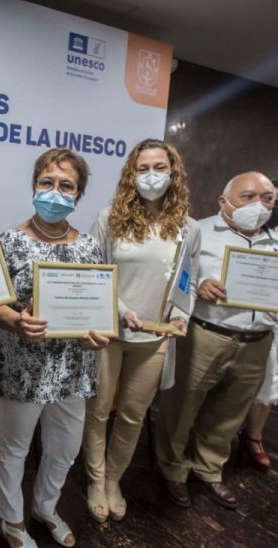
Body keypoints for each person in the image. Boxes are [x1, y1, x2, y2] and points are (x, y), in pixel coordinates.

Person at [0, 148, 109, 548]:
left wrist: (98, 336)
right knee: (14, 448)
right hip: (22, 363)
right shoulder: (9, 240)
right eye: (47, 182)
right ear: (34, 186)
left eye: (66, 185)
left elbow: (98, 309)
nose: (55, 192)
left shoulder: (90, 247)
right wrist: (15, 320)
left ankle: (46, 507)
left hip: (74, 367)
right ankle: (12, 521)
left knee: (64, 449)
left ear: (79, 194)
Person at [82, 139, 200, 522]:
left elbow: (189, 280)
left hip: (155, 336)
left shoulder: (188, 228)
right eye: (143, 168)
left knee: (133, 414)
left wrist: (182, 313)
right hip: (109, 331)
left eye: (159, 167)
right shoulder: (108, 218)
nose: (151, 175)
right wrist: (118, 309)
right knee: (98, 410)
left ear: (173, 172)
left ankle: (115, 478)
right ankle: (95, 479)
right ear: (131, 174)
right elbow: (93, 272)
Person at [155, 171, 278, 510]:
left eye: (267, 198)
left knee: (229, 412)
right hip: (206, 335)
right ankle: (172, 469)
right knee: (182, 406)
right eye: (248, 196)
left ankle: (209, 469)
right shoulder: (198, 230)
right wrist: (197, 286)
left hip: (258, 341)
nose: (258, 205)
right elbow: (174, 277)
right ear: (223, 201)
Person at [239, 179, 278, 472]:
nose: (275, 207)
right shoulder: (233, 233)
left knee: (272, 383)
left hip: (277, 325)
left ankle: (254, 436)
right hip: (238, 322)